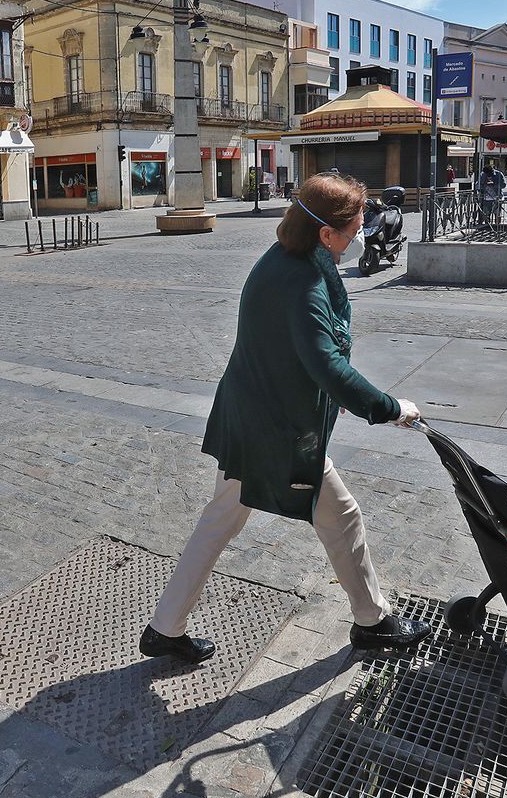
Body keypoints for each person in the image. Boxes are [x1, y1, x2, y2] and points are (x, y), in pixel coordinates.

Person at [140, 173, 431, 664]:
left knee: (223, 520)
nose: (362, 233)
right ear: (326, 234)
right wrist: (389, 407)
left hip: (253, 417)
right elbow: (327, 366)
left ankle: (165, 628)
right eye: (357, 226)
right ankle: (372, 622)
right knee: (340, 517)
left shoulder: (286, 262)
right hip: (275, 430)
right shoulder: (303, 281)